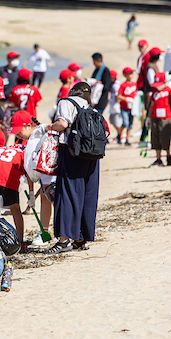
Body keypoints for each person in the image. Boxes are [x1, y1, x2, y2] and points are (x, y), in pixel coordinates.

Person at [46, 82, 105, 254]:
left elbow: (62, 124)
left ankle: (64, 240)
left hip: (73, 153)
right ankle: (81, 238)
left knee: (68, 194)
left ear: (73, 91)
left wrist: (48, 127)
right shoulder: (91, 108)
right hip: (93, 156)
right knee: (87, 195)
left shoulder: (66, 102)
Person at [0, 113, 34, 251]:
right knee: (15, 209)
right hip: (7, 177)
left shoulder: (1, 149)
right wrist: (32, 194)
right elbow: (29, 174)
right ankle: (20, 242)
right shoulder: (23, 151)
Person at [148, 73, 171, 167]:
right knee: (155, 138)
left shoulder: (170, 91)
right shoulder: (154, 91)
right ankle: (158, 159)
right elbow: (151, 105)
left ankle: (169, 156)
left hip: (166, 118)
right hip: (155, 118)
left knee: (165, 137)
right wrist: (148, 118)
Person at [117, 67, 137, 146]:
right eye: (129, 74)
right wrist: (126, 99)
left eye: (132, 73)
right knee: (125, 123)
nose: (131, 75)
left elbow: (135, 94)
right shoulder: (123, 85)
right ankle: (119, 134)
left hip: (132, 107)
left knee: (130, 124)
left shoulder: (134, 84)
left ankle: (127, 139)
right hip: (124, 107)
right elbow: (119, 96)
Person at [108, 70, 123, 143]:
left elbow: (118, 95)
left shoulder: (116, 85)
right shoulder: (112, 84)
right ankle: (119, 134)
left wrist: (117, 104)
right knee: (112, 121)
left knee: (116, 122)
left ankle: (121, 135)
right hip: (112, 105)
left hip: (116, 106)